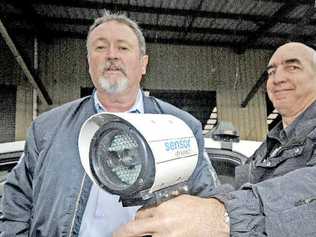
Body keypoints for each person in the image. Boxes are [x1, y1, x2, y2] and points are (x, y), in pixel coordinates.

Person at [0, 11, 218, 237]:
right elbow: (16, 200)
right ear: (89, 63)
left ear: (143, 64)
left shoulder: (181, 127)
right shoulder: (46, 128)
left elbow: (209, 201)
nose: (112, 55)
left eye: (123, 47)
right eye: (100, 47)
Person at [113, 42, 316, 237]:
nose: (277, 78)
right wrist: (195, 204)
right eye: (271, 72)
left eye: (292, 67)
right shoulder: (270, 146)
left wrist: (224, 216)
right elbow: (243, 188)